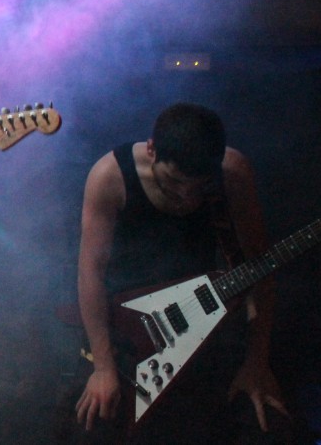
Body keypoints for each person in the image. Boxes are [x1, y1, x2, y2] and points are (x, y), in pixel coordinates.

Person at [74, 102, 293, 444]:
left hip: (207, 324)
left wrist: (256, 362)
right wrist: (103, 368)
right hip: (129, 330)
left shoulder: (232, 172)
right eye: (174, 181)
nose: (186, 195)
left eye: (199, 185)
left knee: (265, 424)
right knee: (93, 425)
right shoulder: (110, 176)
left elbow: (259, 269)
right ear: (152, 149)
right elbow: (90, 274)